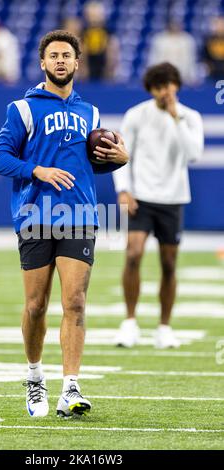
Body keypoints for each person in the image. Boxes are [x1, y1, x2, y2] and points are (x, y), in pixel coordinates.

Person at [0, 30, 128, 418]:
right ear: (43, 64)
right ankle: (35, 379)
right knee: (36, 306)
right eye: (54, 56)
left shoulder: (92, 113)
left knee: (76, 302)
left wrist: (121, 157)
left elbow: (95, 163)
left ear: (77, 63)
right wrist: (38, 170)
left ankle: (71, 388)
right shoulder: (23, 109)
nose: (61, 61)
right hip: (34, 216)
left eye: (67, 55)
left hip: (80, 216)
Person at [112, 62, 204, 349]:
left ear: (176, 86)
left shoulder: (190, 117)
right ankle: (129, 323)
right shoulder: (136, 115)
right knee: (133, 254)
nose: (165, 91)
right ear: (151, 89)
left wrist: (176, 118)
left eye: (169, 85)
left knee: (168, 264)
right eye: (159, 87)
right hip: (141, 198)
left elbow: (194, 154)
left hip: (173, 199)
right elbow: (121, 155)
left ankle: (164, 327)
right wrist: (124, 189)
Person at [148, 21, 198, 86]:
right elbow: (153, 58)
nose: (174, 28)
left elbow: (191, 60)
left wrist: (192, 76)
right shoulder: (159, 39)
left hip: (182, 77)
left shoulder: (187, 40)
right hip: (163, 76)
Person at [82, 1, 119, 81]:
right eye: (91, 15)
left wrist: (109, 66)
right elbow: (83, 50)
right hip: (90, 63)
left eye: (96, 15)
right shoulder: (84, 32)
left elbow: (111, 49)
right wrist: (84, 66)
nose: (94, 19)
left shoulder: (107, 32)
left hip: (103, 63)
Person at [202, 16, 224, 80]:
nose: (220, 27)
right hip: (213, 71)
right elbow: (205, 55)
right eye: (218, 25)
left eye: (222, 24)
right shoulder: (209, 40)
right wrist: (208, 65)